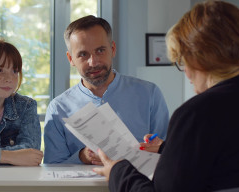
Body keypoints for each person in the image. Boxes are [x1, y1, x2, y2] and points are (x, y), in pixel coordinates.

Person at [93, 1, 239, 191]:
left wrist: (117, 171)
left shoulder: (197, 114)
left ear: (199, 57)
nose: (186, 73)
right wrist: (169, 149)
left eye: (182, 61)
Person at [44, 15, 169, 164]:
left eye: (100, 50)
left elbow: (170, 154)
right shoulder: (58, 108)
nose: (93, 62)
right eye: (83, 54)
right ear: (71, 59)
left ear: (113, 49)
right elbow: (52, 167)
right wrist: (82, 157)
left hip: (137, 186)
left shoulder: (149, 94)